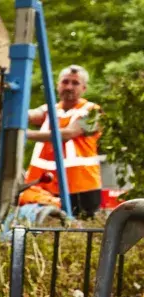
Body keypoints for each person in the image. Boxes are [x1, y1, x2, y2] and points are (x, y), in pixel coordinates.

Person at [18, 65, 104, 219]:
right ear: (58, 85)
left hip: (81, 187)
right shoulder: (50, 109)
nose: (69, 87)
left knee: (78, 233)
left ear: (84, 88)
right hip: (44, 186)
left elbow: (68, 133)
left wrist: (25, 134)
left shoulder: (93, 112)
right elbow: (30, 114)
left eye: (75, 83)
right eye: (65, 82)